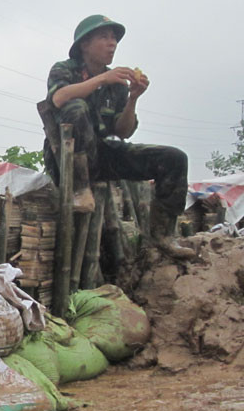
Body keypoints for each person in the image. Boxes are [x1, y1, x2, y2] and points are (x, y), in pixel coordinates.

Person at [43, 14, 194, 260]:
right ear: (84, 45)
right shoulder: (65, 69)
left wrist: (133, 97)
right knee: (75, 106)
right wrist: (101, 78)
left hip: (101, 153)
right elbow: (59, 98)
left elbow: (123, 131)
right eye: (104, 37)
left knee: (174, 158)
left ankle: (163, 235)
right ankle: (80, 189)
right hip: (67, 158)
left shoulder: (117, 84)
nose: (112, 43)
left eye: (114, 39)